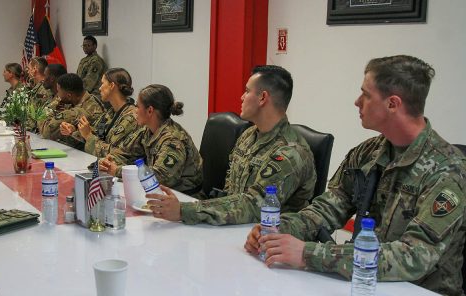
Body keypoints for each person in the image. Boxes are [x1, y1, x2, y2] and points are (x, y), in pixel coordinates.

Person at [244, 55, 466, 296]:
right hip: (362, 284)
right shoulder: (368, 153)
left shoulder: (448, 169)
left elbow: (414, 256)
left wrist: (309, 254)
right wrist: (277, 230)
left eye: (366, 95)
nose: (357, 102)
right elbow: (327, 209)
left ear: (393, 104)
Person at [143, 65, 316, 225]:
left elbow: (254, 205)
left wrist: (185, 210)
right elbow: (230, 187)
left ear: (263, 97)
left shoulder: (289, 152)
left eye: (247, 91)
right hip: (235, 227)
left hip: (269, 240)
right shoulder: (249, 135)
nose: (242, 97)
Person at [99, 84, 203, 195]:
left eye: (138, 107)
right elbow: (126, 153)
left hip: (185, 197)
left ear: (149, 111)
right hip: (160, 192)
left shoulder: (173, 140)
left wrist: (118, 171)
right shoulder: (147, 130)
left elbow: (161, 177)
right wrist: (109, 162)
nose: (135, 111)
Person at [59, 68, 138, 157]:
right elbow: (98, 134)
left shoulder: (132, 117)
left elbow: (116, 154)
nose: (100, 88)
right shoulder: (111, 113)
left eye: (103, 83)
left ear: (112, 86)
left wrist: (88, 135)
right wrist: (74, 130)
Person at [39, 73, 105, 149]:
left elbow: (45, 130)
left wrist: (52, 105)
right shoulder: (71, 101)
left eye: (59, 91)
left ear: (69, 96)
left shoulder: (92, 109)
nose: (58, 95)